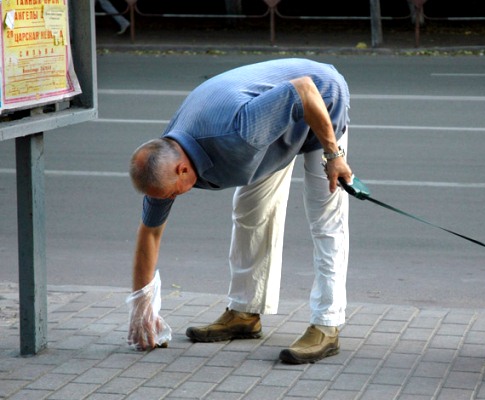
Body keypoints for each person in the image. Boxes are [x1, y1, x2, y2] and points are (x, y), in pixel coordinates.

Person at [127, 58, 353, 364]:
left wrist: (334, 154)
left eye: (171, 194)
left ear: (182, 169)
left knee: (325, 218)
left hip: (321, 101)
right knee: (250, 212)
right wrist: (142, 306)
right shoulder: (162, 158)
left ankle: (327, 324)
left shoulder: (238, 132)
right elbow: (150, 231)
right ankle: (245, 314)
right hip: (274, 124)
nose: (170, 199)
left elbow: (304, 90)